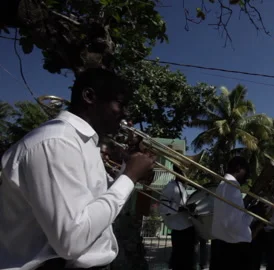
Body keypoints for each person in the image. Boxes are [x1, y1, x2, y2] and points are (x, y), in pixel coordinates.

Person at [0, 68, 156, 270]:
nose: (125, 113)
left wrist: (128, 170)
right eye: (120, 103)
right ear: (89, 97)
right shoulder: (56, 142)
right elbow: (71, 240)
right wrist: (129, 176)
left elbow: (95, 210)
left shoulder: (84, 143)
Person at [210, 156, 254, 270]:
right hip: (233, 247)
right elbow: (234, 223)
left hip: (224, 243)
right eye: (246, 171)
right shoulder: (232, 185)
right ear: (239, 168)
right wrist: (253, 213)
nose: (246, 175)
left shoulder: (224, 184)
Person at [158, 166, 196, 270]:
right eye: (187, 171)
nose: (189, 174)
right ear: (180, 172)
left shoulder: (182, 187)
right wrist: (182, 209)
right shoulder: (170, 187)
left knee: (187, 261)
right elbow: (163, 208)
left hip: (186, 228)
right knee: (180, 262)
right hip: (180, 230)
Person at [251, 183, 274, 270]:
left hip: (272, 230)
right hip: (261, 230)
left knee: (271, 257)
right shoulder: (264, 198)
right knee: (257, 256)